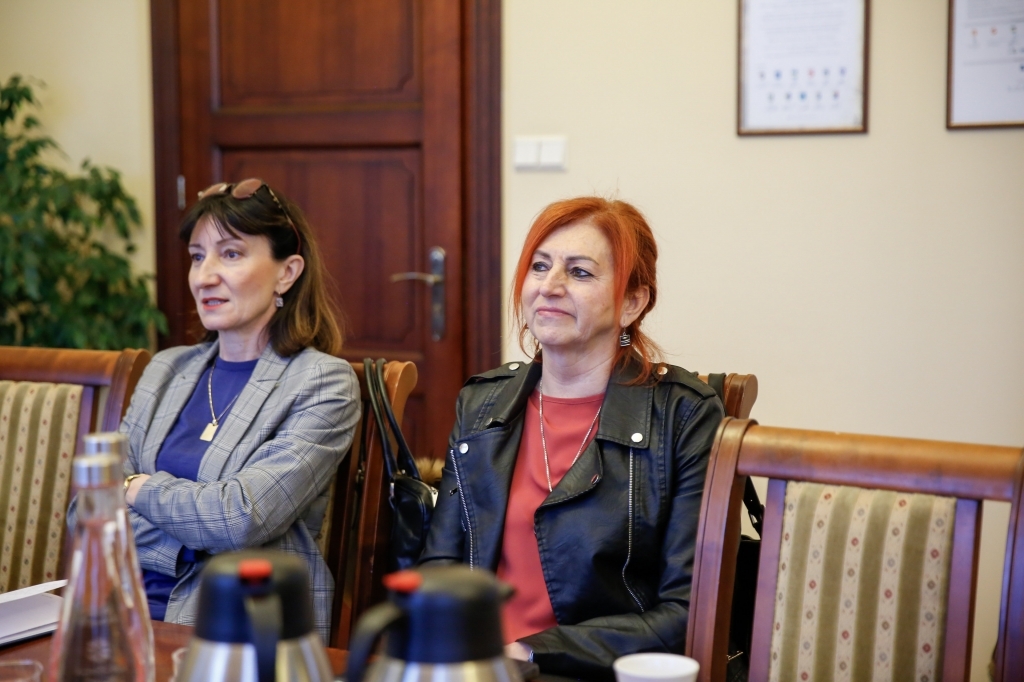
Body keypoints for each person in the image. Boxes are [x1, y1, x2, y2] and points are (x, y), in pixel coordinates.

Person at [420, 197, 725, 678]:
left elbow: (688, 611)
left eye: (580, 272)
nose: (549, 286)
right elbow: (440, 562)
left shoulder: (685, 414)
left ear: (632, 303)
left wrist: (529, 651)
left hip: (589, 670)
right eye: (539, 266)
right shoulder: (481, 402)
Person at [74, 178, 360, 642]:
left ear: (287, 273)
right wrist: (197, 543)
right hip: (117, 612)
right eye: (196, 256)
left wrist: (132, 487)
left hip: (240, 623)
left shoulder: (322, 381)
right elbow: (84, 511)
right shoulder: (166, 368)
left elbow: (240, 517)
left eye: (230, 254)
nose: (204, 276)